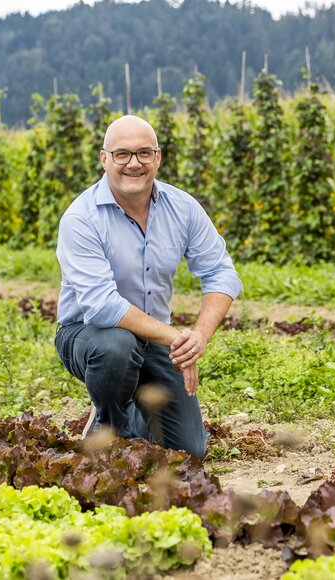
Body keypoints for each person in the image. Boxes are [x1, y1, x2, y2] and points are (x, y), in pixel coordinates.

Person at [54, 115, 243, 460]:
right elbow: (102, 307)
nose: (134, 163)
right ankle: (109, 427)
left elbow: (221, 274)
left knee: (188, 451)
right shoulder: (81, 218)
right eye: (122, 154)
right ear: (104, 159)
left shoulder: (182, 208)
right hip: (88, 335)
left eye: (144, 153)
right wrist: (175, 338)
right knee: (116, 346)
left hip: (154, 339)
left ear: (157, 158)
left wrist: (198, 336)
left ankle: (132, 411)